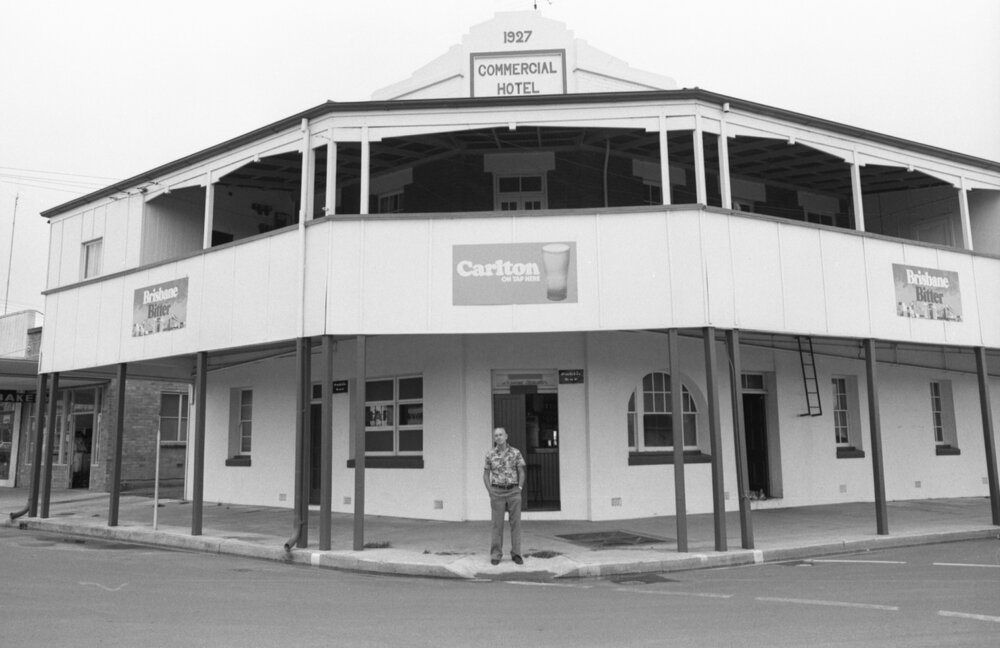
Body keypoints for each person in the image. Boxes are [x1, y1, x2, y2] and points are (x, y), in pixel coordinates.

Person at [483, 426, 526, 565]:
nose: (498, 437)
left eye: (501, 435)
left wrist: (519, 488)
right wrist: (490, 491)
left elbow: (521, 471)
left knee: (516, 524)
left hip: (513, 491)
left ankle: (516, 554)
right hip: (497, 492)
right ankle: (496, 554)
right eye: (496, 435)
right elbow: (485, 475)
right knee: (497, 525)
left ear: (506, 436)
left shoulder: (515, 453)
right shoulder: (490, 454)